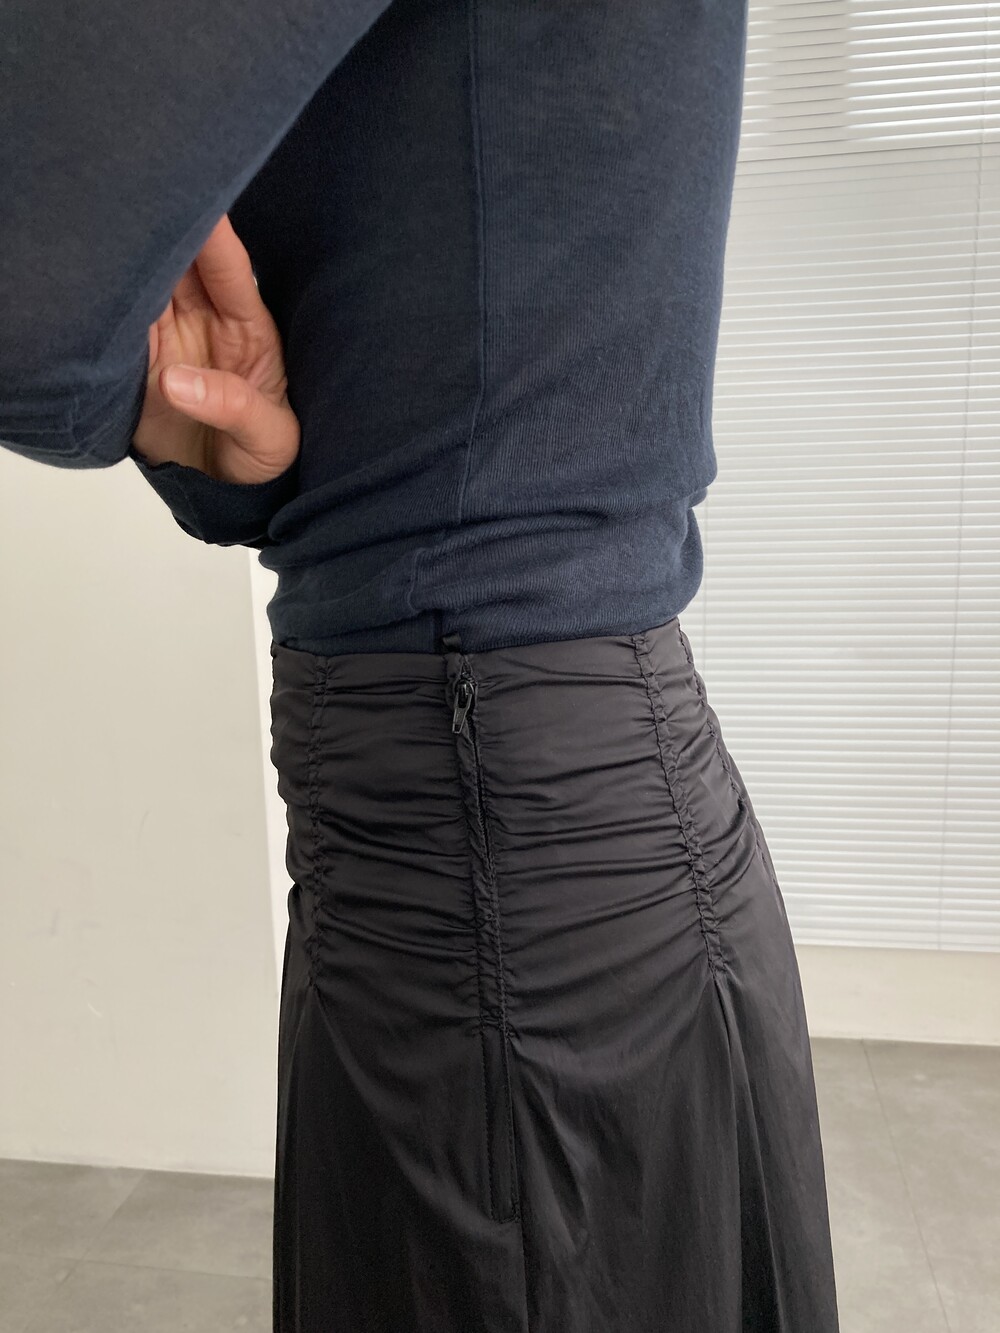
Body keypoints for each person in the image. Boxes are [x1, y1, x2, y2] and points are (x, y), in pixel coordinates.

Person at [0, 2, 842, 1330]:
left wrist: (117, 392)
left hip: (493, 886)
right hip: (522, 853)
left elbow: (28, 288)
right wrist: (201, 437)